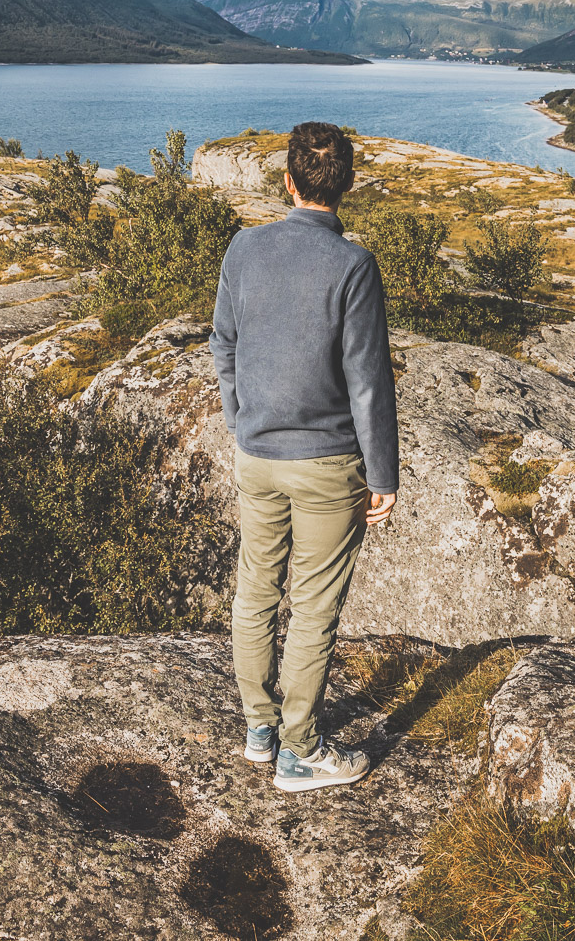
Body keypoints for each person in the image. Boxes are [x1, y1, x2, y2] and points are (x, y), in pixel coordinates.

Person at [209, 121, 399, 792]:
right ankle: (300, 751)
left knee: (256, 591)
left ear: (288, 181)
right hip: (327, 465)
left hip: (256, 456)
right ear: (345, 184)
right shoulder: (352, 265)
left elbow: (222, 346)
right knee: (314, 608)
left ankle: (260, 730)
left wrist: (241, 421)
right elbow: (368, 379)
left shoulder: (244, 247)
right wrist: (383, 475)